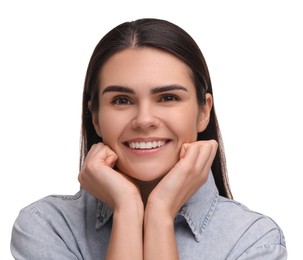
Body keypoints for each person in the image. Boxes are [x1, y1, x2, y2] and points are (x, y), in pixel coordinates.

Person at [10, 18, 287, 259]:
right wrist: (127, 209)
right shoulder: (47, 227)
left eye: (168, 98)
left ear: (204, 112)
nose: (144, 119)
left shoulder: (253, 241)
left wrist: (160, 213)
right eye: (121, 100)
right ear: (95, 116)